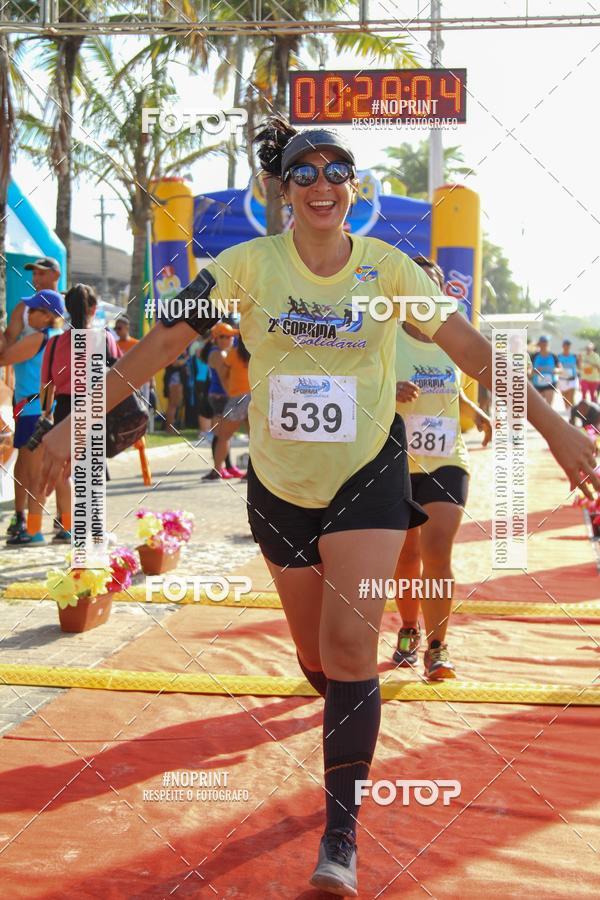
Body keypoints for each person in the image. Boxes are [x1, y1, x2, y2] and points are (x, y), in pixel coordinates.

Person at [39, 120, 598, 897]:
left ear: (353, 188)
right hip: (279, 489)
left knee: (350, 653)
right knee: (318, 662)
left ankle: (341, 836)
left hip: (370, 475)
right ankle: (335, 700)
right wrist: (79, 421)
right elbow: (164, 343)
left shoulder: (388, 268)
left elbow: (472, 349)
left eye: (339, 171)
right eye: (306, 172)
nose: (324, 184)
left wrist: (555, 423)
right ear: (284, 189)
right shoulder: (244, 266)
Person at [392, 256, 492, 680]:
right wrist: (388, 390)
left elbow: (447, 389)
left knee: (436, 551)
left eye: (433, 285)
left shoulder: (453, 339)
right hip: (396, 461)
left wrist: (478, 414)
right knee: (405, 556)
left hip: (447, 459)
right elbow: (357, 384)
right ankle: (409, 628)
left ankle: (437, 648)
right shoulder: (386, 337)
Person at [39, 284, 121, 542]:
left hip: (64, 408)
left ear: (67, 309)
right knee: (92, 469)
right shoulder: (105, 338)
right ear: (94, 309)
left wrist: (47, 413)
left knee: (66, 471)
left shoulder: (54, 344)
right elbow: (119, 374)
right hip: (94, 407)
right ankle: (95, 530)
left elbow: (46, 386)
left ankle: (67, 526)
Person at [0, 290, 64, 545]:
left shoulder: (39, 338)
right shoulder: (60, 336)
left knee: (34, 473)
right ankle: (57, 524)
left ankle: (34, 530)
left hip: (32, 411)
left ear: (46, 315)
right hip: (45, 409)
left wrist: (8, 331)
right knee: (43, 472)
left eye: (32, 310)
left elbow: (3, 358)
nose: (27, 314)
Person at [207, 334, 250, 478]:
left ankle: (217, 470)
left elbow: (223, 374)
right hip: (254, 397)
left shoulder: (234, 353)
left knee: (224, 436)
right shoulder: (257, 353)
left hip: (237, 398)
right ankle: (253, 473)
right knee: (254, 439)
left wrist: (229, 389)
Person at [202, 323, 238, 480]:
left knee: (224, 435)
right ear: (219, 338)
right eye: (228, 336)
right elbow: (225, 381)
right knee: (222, 435)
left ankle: (225, 467)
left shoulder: (220, 352)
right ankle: (217, 470)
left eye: (231, 336)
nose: (231, 339)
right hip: (221, 397)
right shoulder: (219, 355)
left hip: (219, 396)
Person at [4, 257, 61, 346]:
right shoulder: (23, 307)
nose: (36, 279)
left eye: (41, 274)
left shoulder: (70, 304)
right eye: (34, 274)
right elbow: (8, 341)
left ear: (56, 275)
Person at [529, 336, 560, 404]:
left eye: (545, 342)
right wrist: (535, 371)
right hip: (537, 385)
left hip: (550, 384)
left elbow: (561, 370)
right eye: (542, 342)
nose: (543, 344)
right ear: (539, 344)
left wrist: (555, 370)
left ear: (548, 344)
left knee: (548, 407)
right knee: (538, 406)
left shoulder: (553, 356)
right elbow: (529, 373)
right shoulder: (534, 356)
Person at [557, 339, 579, 412]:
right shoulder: (558, 356)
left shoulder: (574, 356)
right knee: (565, 400)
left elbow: (579, 366)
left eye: (568, 345)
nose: (567, 347)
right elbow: (556, 368)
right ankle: (570, 413)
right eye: (565, 345)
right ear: (563, 346)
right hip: (562, 380)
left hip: (572, 380)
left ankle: (574, 414)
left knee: (571, 398)